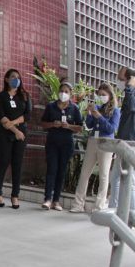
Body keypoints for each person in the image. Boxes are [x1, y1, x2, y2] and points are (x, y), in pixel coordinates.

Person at [70, 83, 121, 213]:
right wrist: (89, 114)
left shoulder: (115, 110)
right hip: (93, 141)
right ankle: (78, 204)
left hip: (106, 142)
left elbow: (112, 129)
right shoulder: (97, 107)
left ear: (110, 96)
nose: (101, 97)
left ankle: (99, 206)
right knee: (84, 173)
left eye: (104, 95)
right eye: (99, 94)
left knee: (103, 175)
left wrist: (99, 116)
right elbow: (89, 125)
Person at [109, 67, 135, 210]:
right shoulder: (129, 93)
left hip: (134, 143)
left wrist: (130, 88)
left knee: (131, 180)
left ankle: (133, 214)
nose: (120, 82)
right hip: (124, 142)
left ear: (130, 79)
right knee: (115, 178)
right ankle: (113, 209)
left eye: (121, 79)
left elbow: (133, 107)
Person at [40, 81, 83, 210]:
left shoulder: (74, 108)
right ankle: (47, 199)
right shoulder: (51, 106)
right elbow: (43, 124)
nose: (63, 94)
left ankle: (56, 201)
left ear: (70, 94)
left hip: (67, 143)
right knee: (51, 169)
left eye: (66, 92)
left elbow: (80, 127)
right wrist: (53, 124)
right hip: (52, 142)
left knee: (61, 171)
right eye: (62, 91)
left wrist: (68, 126)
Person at [0, 69, 31, 209]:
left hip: (21, 135)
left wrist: (14, 124)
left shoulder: (25, 96)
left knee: (17, 164)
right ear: (7, 79)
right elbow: (2, 118)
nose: (16, 79)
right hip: (5, 134)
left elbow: (27, 115)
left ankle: (15, 195)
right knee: (3, 162)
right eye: (13, 77)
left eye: (18, 77)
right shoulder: (0, 96)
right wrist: (15, 130)